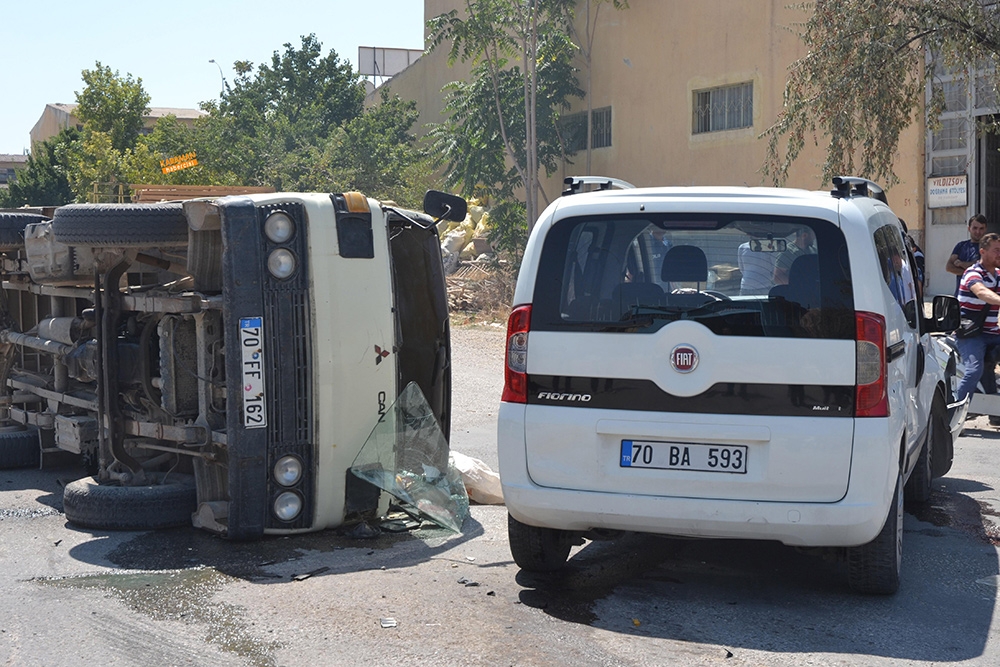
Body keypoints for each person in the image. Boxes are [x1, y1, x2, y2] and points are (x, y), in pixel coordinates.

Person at [954, 232, 1000, 404]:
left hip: (993, 332)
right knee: (974, 371)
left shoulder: (998, 275)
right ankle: (955, 412)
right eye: (996, 250)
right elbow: (981, 291)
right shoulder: (972, 273)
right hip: (971, 334)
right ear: (982, 251)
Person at [947, 214, 988, 295]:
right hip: (961, 296)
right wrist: (971, 272)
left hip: (981, 297)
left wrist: (961, 264)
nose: (978, 232)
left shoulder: (989, 248)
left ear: (985, 229)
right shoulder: (961, 246)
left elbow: (984, 267)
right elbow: (949, 267)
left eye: (981, 228)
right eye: (975, 228)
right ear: (969, 228)